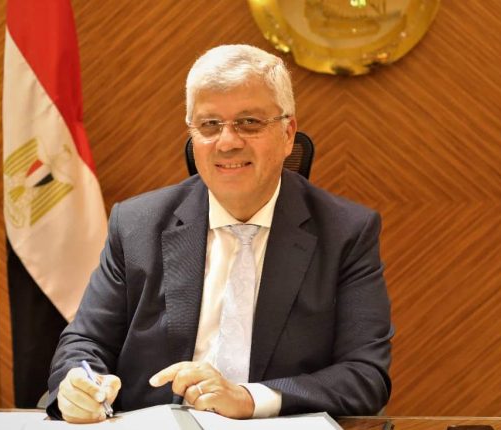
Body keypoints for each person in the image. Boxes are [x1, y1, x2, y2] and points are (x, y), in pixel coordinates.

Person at [46, 44, 393, 423]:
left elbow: (365, 376)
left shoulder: (345, 233)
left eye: (249, 122)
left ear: (288, 134)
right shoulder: (136, 225)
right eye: (210, 125)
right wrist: (78, 385)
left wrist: (248, 399)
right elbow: (85, 342)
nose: (227, 142)